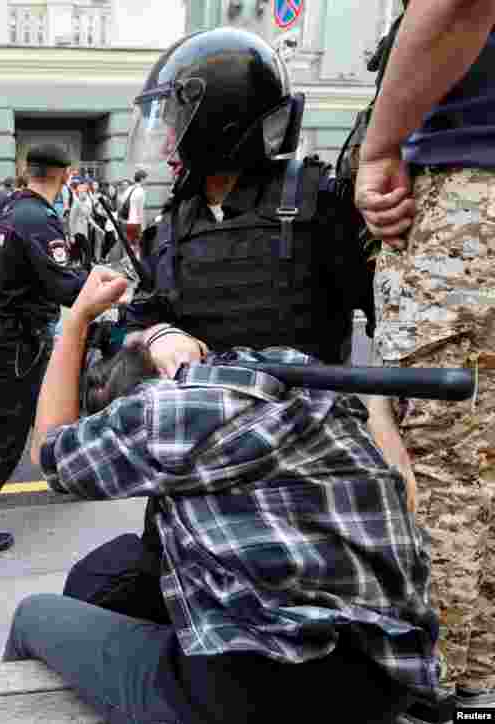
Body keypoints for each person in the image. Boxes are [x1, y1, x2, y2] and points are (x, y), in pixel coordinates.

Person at [2, 267, 438, 724]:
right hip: (387, 676)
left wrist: (75, 322)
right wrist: (158, 332)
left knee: (35, 615)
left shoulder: (157, 416)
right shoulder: (289, 371)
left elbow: (49, 448)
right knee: (115, 568)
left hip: (261, 694)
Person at [355, 0, 495, 710]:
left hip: (473, 198)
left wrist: (381, 146)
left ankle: (438, 694)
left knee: (437, 471)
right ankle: (476, 686)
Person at [0, 144, 87, 554]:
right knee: (8, 434)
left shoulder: (9, 209)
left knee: (40, 413)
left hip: (9, 330)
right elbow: (63, 286)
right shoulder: (38, 218)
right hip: (24, 337)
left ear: (28, 170)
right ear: (65, 175)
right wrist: (106, 287)